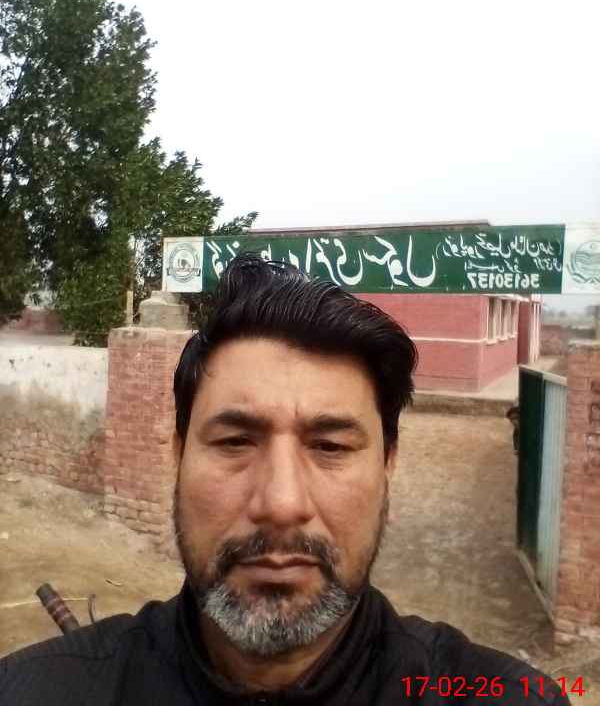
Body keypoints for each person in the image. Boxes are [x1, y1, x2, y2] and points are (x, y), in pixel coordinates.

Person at [0, 254, 569, 705]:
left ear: (388, 463)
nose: (281, 503)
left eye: (330, 446)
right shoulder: (36, 690)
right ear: (177, 455)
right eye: (234, 442)